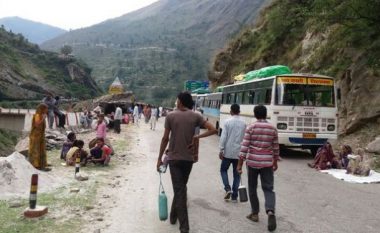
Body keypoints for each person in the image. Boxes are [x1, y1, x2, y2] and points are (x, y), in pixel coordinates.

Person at [156, 91, 217, 233]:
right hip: (188, 160)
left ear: (180, 101)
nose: (176, 102)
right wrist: (198, 137)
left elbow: (165, 138)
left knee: (180, 189)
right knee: (181, 188)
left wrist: (159, 158)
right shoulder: (196, 116)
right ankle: (172, 216)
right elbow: (213, 129)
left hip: (174, 159)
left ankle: (184, 228)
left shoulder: (170, 116)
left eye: (177, 100)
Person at [237, 105, 279, 232]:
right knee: (268, 188)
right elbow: (276, 148)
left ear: (255, 115)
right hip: (267, 163)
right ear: (266, 114)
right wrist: (275, 161)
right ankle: (270, 211)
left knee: (252, 188)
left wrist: (239, 165)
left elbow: (244, 148)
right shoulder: (272, 128)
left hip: (253, 162)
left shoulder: (251, 127)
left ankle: (255, 213)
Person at [219, 103, 246, 202]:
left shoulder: (227, 122)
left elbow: (223, 137)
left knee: (223, 170)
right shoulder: (244, 123)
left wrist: (221, 149)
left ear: (231, 111)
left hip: (227, 152)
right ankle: (234, 196)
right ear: (239, 111)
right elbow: (245, 139)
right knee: (237, 174)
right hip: (239, 153)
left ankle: (227, 189)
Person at [28, 103, 51, 171]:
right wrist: (43, 119)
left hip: (40, 136)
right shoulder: (37, 115)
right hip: (35, 136)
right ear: (42, 109)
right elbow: (37, 125)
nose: (47, 110)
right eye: (46, 109)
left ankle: (42, 164)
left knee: (41, 149)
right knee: (36, 150)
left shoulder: (42, 115)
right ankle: (35, 164)